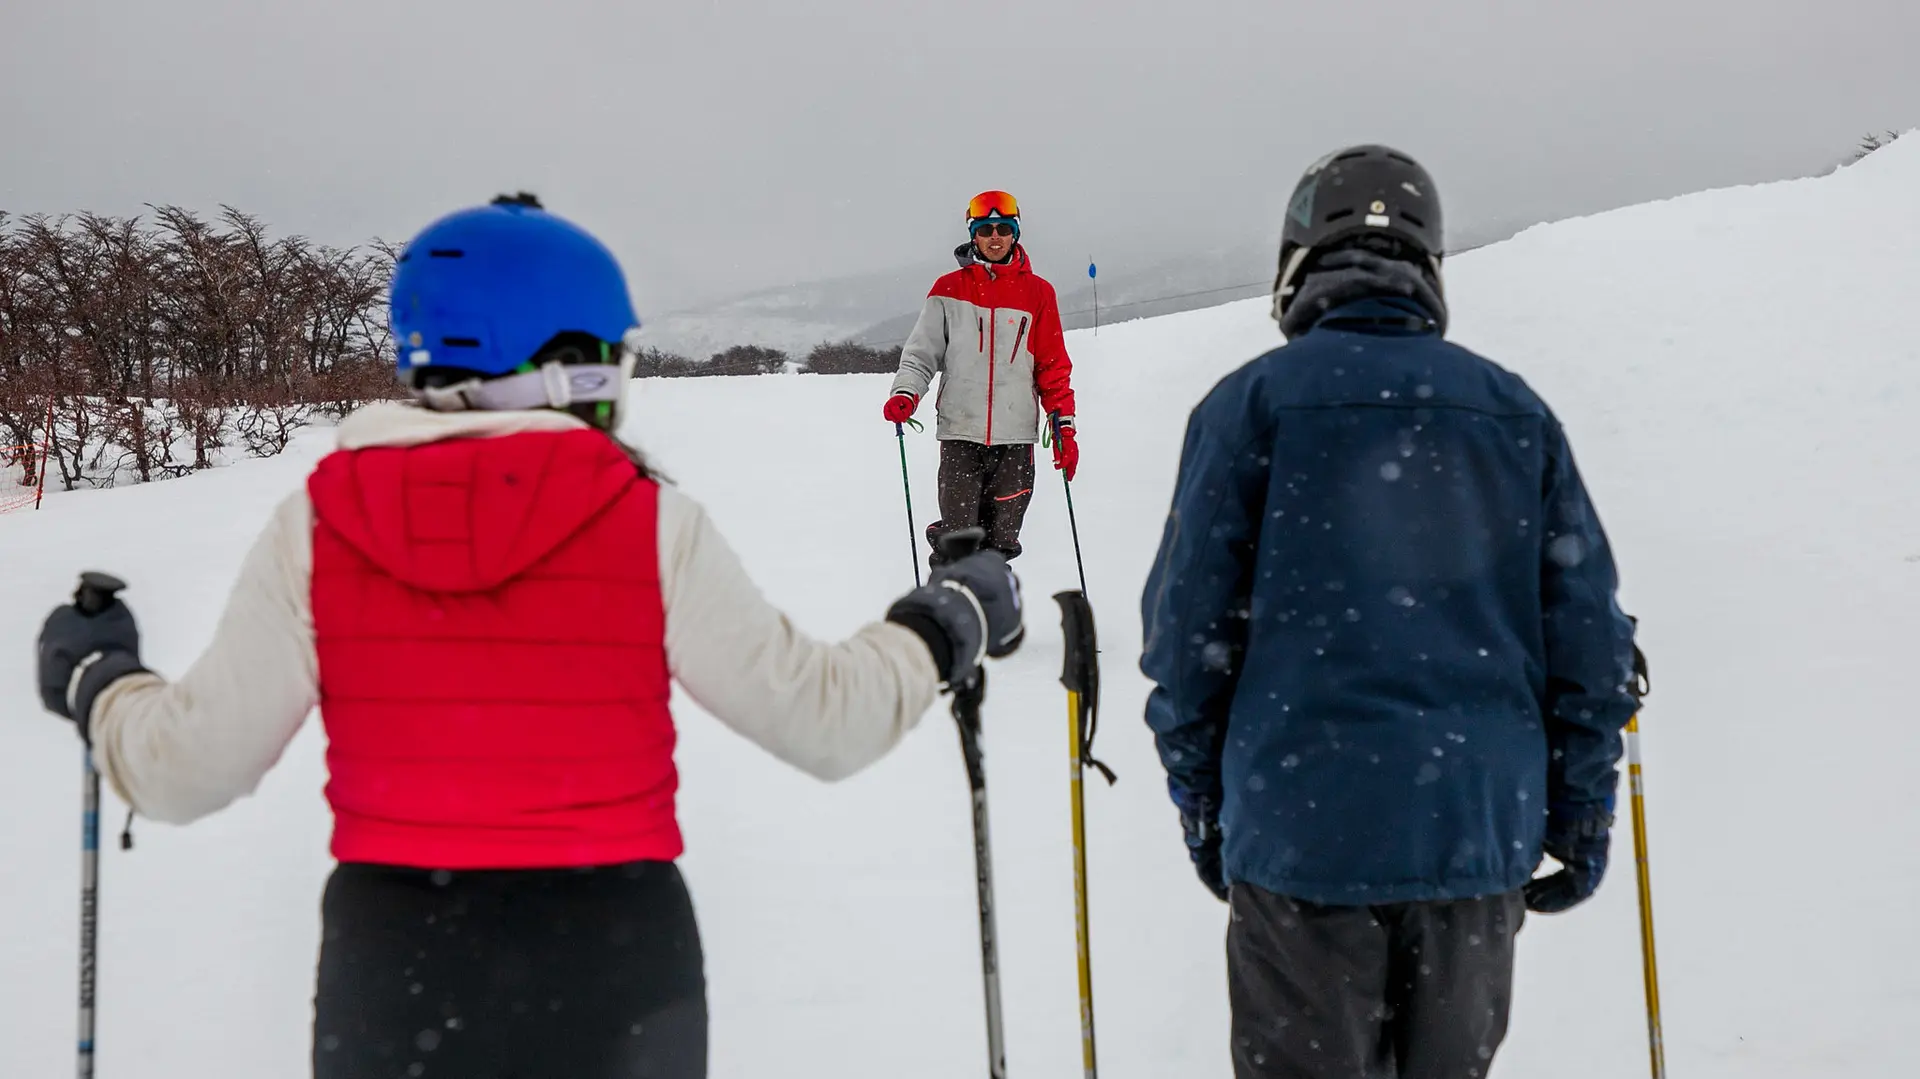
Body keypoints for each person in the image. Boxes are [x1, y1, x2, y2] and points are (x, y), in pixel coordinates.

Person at [34, 193, 1025, 1079]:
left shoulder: (322, 523)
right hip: (616, 965)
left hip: (396, 972)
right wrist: (956, 612)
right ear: (574, 361)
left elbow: (182, 768)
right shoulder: (646, 519)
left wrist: (98, 677)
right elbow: (827, 719)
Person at [1139, 146, 1641, 1079]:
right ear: (1430, 267)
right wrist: (1581, 814)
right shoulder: (1513, 414)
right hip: (1474, 836)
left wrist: (1207, 811)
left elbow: (1185, 642)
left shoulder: (1250, 408)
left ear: (1297, 262)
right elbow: (1593, 649)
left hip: (1301, 839)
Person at [884, 190, 1078, 567]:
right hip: (961, 434)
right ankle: (949, 615)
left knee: (1000, 544)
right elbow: (922, 354)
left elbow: (1053, 368)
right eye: (986, 229)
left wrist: (1064, 428)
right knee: (957, 541)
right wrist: (906, 392)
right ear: (973, 233)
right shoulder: (948, 289)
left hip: (1015, 439)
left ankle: (994, 616)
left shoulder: (1039, 294)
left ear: (1014, 234)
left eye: (1003, 228)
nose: (994, 237)